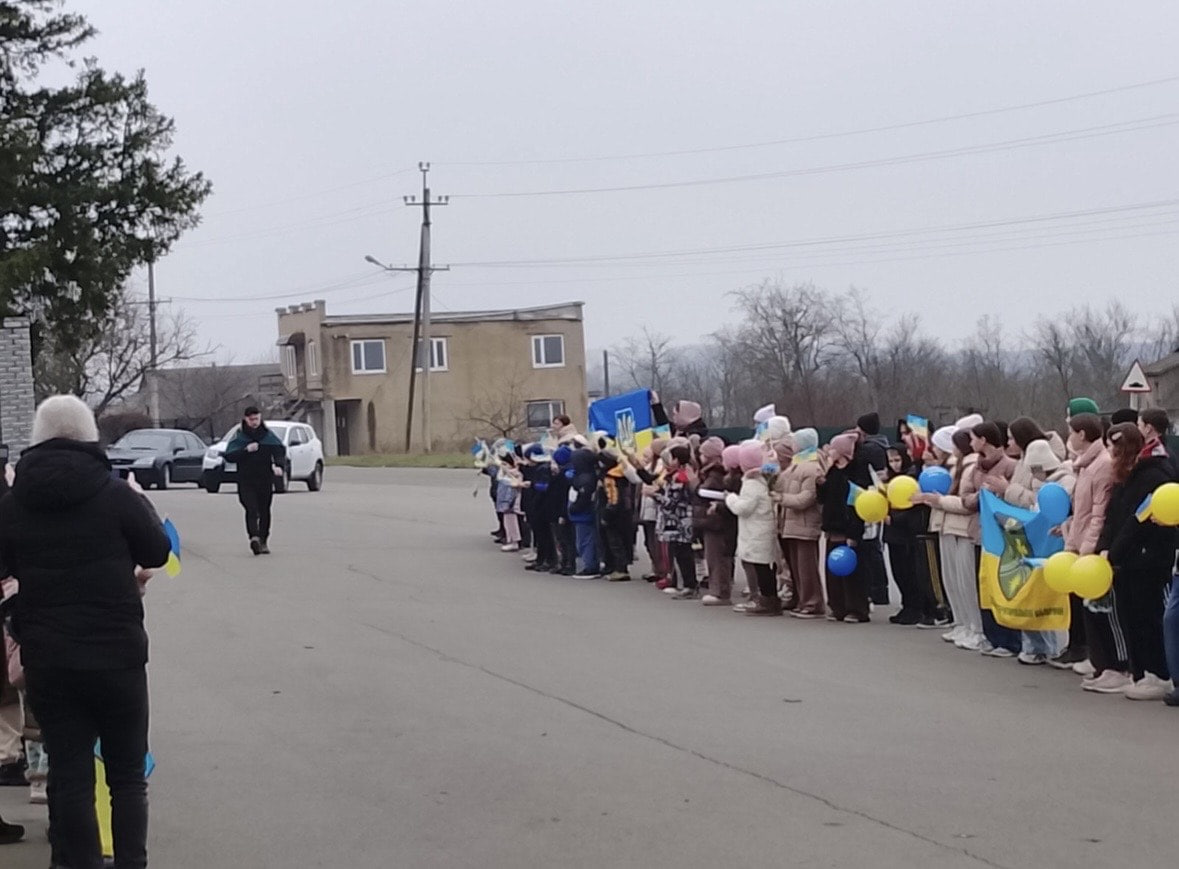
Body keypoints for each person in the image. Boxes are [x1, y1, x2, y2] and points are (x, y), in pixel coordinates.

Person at [0, 395, 172, 869]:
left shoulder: (14, 505)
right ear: (88, 434)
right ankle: (131, 862)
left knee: (70, 772)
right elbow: (156, 551)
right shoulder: (115, 494)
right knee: (126, 775)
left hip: (50, 658)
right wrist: (141, 506)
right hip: (117, 652)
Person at [1097, 423, 1177, 700]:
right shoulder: (1125, 478)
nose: (1109, 454)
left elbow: (1138, 520)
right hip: (1127, 560)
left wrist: (1115, 551)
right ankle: (1140, 670)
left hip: (1149, 558)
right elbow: (1114, 516)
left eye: (1113, 448)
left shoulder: (1154, 475)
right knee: (1130, 614)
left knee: (1149, 616)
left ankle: (1159, 672)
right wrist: (1104, 547)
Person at [1063, 412, 1126, 688]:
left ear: (1082, 434)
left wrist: (1087, 549)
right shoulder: (1085, 465)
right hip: (1081, 543)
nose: (1069, 438)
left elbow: (1098, 513)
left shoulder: (1101, 466)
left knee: (1099, 608)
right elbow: (1081, 511)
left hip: (1093, 548)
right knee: (1087, 608)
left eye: (1071, 432)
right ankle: (1100, 662)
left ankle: (1112, 665)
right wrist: (1070, 541)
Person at [818, 433, 870, 623]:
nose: (829, 451)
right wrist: (821, 483)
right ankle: (836, 606)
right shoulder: (832, 471)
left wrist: (854, 532)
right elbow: (823, 498)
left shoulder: (855, 473)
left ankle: (856, 608)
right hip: (832, 526)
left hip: (848, 527)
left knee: (852, 571)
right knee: (833, 569)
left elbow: (858, 505)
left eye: (833, 448)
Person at [775, 428, 825, 619]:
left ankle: (813, 603)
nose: (792, 445)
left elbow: (806, 498)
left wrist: (781, 498)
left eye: (795, 442)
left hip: (804, 524)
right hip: (792, 524)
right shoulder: (795, 466)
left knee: (806, 567)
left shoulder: (811, 467)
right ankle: (802, 599)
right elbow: (780, 483)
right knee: (796, 566)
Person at [726, 441, 780, 616]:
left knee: (761, 568)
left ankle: (767, 601)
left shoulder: (751, 484)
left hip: (756, 531)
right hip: (764, 528)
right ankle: (771, 599)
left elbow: (744, 508)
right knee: (765, 567)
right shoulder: (767, 478)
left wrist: (731, 499)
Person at [224, 406, 286, 555]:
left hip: (265, 479)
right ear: (246, 419)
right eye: (251, 419)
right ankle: (254, 537)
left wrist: (278, 465)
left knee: (265, 510)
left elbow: (279, 451)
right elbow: (229, 456)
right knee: (251, 509)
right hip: (246, 480)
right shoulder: (240, 437)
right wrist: (246, 450)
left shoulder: (267, 435)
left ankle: (263, 540)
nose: (254, 422)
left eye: (257, 419)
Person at [884, 443, 928, 625]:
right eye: (891, 461)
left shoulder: (910, 479)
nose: (894, 464)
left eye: (897, 460)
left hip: (906, 533)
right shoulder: (889, 479)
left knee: (909, 572)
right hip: (892, 532)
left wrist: (894, 517)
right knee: (898, 572)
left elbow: (911, 506)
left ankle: (915, 607)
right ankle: (906, 604)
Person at [695, 438, 736, 605]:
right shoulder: (710, 473)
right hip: (712, 520)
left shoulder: (716, 474)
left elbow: (707, 492)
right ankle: (717, 589)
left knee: (717, 557)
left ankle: (720, 591)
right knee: (713, 557)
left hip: (716, 521)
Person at [654, 446, 698, 599]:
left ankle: (689, 585)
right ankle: (685, 584)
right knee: (680, 553)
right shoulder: (675, 475)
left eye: (672, 458)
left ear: (677, 460)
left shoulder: (680, 478)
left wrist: (655, 495)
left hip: (680, 521)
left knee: (683, 554)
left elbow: (672, 502)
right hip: (677, 521)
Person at [567, 449, 601, 579]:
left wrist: (575, 507)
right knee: (583, 541)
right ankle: (589, 564)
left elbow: (585, 497)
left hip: (583, 514)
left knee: (586, 541)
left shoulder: (586, 478)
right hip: (580, 515)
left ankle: (590, 567)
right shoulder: (582, 475)